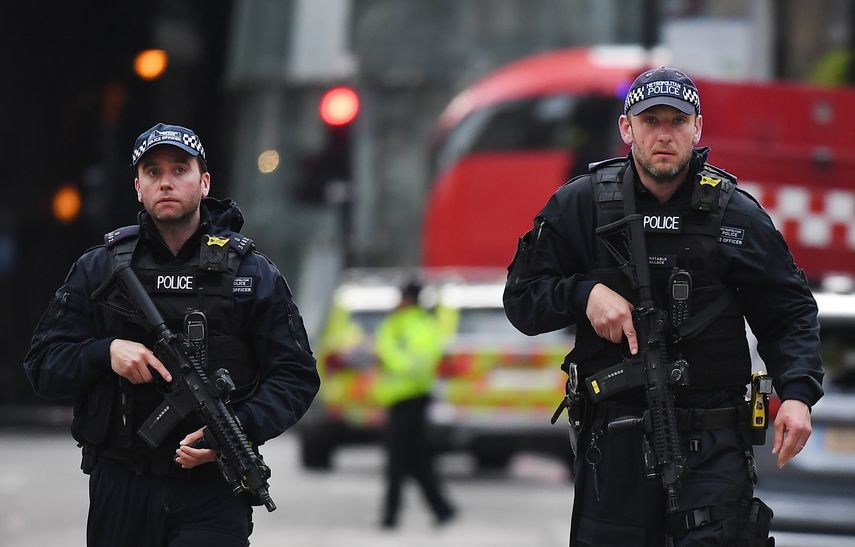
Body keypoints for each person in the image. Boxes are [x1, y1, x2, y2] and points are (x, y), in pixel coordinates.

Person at [503, 67, 823, 546]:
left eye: (678, 120)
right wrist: (583, 294)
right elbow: (522, 300)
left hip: (713, 446)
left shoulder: (734, 214)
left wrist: (797, 394)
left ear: (697, 128)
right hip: (614, 445)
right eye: (651, 120)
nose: (665, 134)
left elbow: (789, 311)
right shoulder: (582, 205)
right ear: (627, 129)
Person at [23, 123, 320, 547]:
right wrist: (105, 352)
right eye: (153, 172)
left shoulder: (250, 273)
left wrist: (238, 427)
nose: (166, 182)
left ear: (204, 182)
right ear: (138, 187)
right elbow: (42, 366)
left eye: (180, 169)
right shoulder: (100, 268)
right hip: (122, 483)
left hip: (212, 486)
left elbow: (296, 376)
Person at [374, 280, 456, 529]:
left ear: (409, 299)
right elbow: (383, 347)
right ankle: (442, 509)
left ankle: (391, 516)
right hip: (397, 400)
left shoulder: (422, 326)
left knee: (398, 461)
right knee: (415, 460)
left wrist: (390, 357)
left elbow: (417, 364)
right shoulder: (395, 324)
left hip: (413, 400)